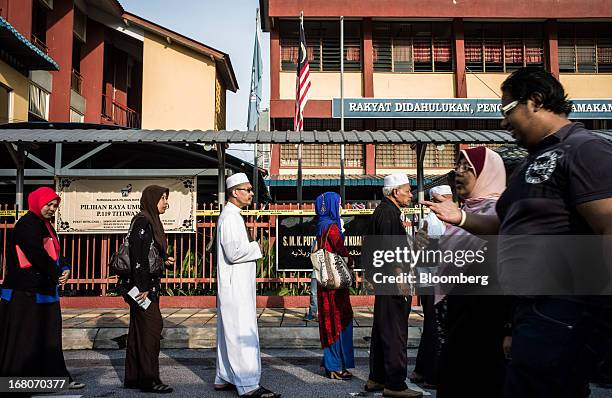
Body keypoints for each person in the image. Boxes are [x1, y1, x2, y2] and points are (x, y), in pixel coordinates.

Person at [423, 66, 612, 398]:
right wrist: (461, 219)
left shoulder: (583, 149)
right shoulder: (529, 162)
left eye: (507, 110)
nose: (503, 122)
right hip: (529, 311)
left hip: (562, 309)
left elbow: (607, 226)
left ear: (535, 101)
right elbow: (504, 225)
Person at [431, 147, 507, 398]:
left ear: (487, 174)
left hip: (484, 323)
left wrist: (509, 328)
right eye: (458, 167)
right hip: (457, 317)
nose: (459, 173)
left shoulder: (498, 213)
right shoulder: (465, 211)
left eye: (468, 168)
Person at [0, 187, 85, 389]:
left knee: (49, 337)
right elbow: (36, 254)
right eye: (49, 204)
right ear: (38, 202)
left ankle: (55, 379)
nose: (52, 209)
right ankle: (19, 384)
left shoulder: (45, 225)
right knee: (25, 339)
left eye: (55, 205)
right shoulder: (27, 225)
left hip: (43, 290)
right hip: (26, 292)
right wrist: (56, 274)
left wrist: (65, 267)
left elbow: (55, 252)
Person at [215, 173, 280, 398]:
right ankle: (248, 385)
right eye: (248, 189)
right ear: (235, 192)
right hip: (236, 287)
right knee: (242, 332)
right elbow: (234, 253)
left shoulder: (231, 215)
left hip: (234, 285)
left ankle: (224, 377)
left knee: (229, 332)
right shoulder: (231, 218)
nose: (252, 194)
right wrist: (256, 247)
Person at [365, 173, 423, 398]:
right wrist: (401, 279)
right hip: (392, 281)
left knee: (383, 329)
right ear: (395, 191)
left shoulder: (383, 211)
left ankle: (376, 378)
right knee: (395, 332)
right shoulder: (389, 214)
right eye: (407, 190)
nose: (410, 194)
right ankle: (395, 384)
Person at [122, 185, 175, 394]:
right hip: (142, 288)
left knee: (138, 330)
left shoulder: (149, 221)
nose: (166, 203)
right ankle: (149, 379)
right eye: (163, 199)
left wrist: (164, 259)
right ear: (152, 199)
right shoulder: (143, 221)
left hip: (143, 286)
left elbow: (148, 253)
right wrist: (142, 286)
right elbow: (138, 256)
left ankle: (134, 377)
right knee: (152, 329)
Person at [411, 185, 453, 388]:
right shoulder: (431, 222)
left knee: (432, 327)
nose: (451, 202)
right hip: (433, 282)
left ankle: (420, 370)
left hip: (436, 281)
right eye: (447, 198)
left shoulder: (442, 220)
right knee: (435, 328)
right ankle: (430, 375)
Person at [314, 192, 355, 380]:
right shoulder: (333, 228)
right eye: (338, 203)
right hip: (336, 284)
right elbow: (341, 250)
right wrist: (351, 261)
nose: (341, 207)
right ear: (331, 206)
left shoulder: (321, 224)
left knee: (328, 318)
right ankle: (335, 365)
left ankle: (331, 361)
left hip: (325, 282)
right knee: (339, 319)